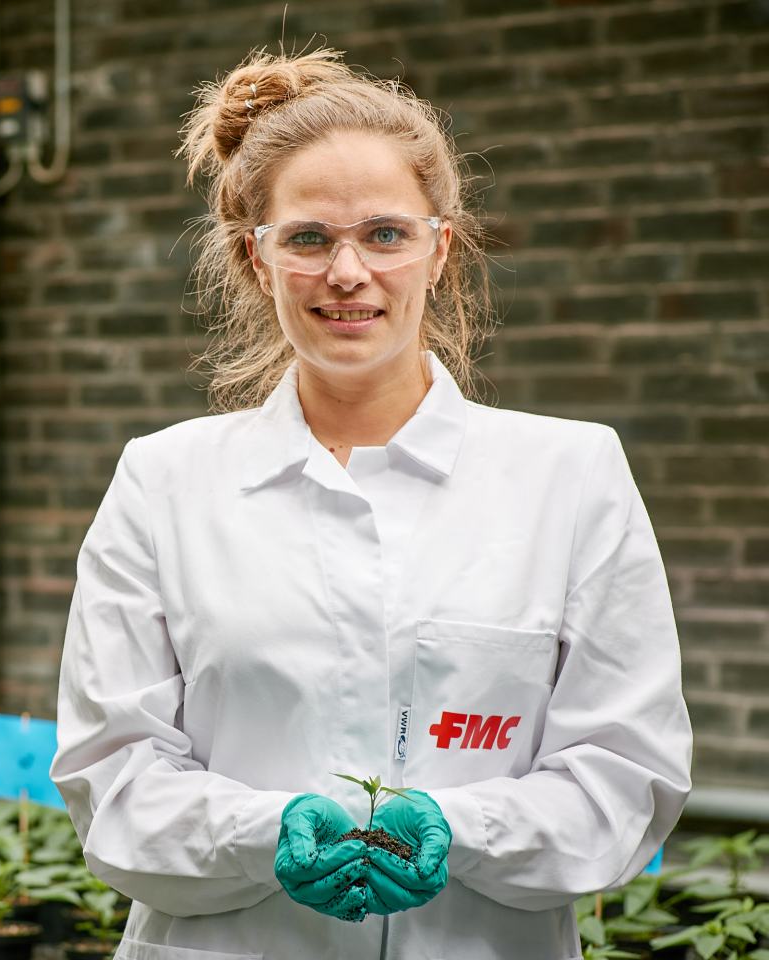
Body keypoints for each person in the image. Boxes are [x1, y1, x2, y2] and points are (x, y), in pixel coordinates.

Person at [48, 45, 692, 960]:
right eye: (308, 238)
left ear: (441, 250)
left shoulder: (571, 477)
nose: (347, 273)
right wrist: (264, 832)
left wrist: (466, 829)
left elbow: (626, 778)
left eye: (385, 234)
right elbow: (110, 775)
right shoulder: (164, 484)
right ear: (257, 259)